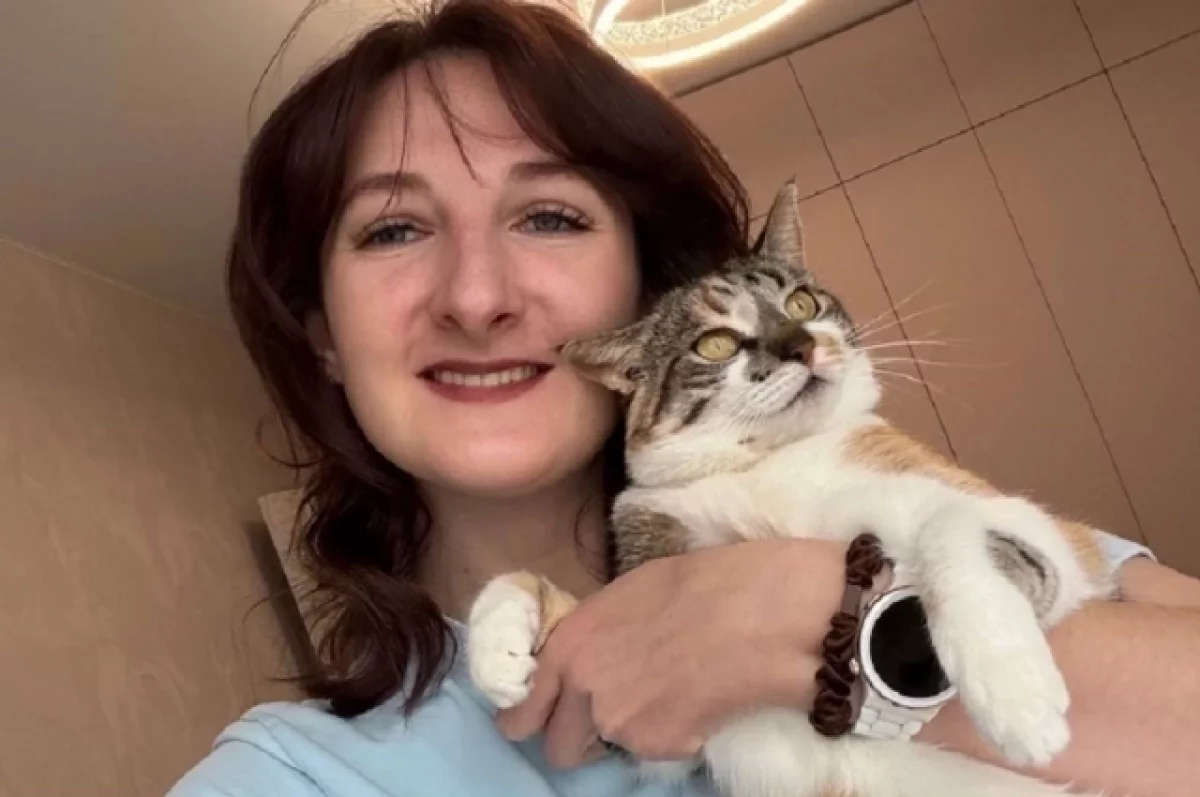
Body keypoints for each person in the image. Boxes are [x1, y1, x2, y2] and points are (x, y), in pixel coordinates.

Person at [169, 0, 1200, 795]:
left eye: (549, 216)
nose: (477, 297)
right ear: (324, 334)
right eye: (394, 229)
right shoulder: (295, 773)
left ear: (648, 295)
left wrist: (821, 620)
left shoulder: (911, 515)